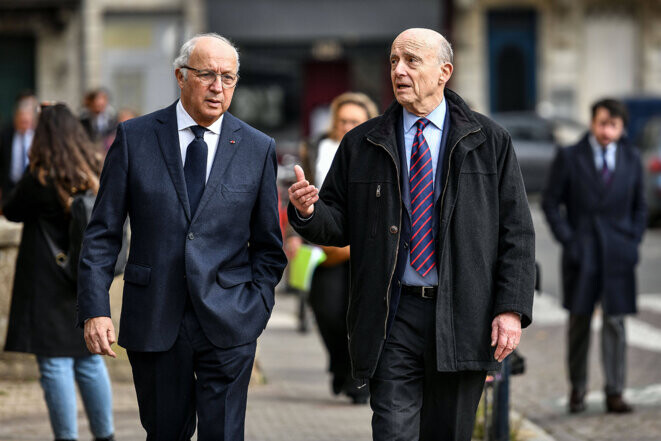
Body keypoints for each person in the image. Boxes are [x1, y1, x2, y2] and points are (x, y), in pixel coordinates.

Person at [288, 28, 535, 441]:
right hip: (392, 314)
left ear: (444, 72)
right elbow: (337, 223)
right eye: (393, 61)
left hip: (462, 316)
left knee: (448, 432)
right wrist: (309, 211)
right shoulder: (362, 143)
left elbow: (517, 234)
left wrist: (510, 309)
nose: (398, 70)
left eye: (411, 61)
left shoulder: (489, 141)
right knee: (393, 430)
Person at [76, 33, 287, 440]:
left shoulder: (257, 147)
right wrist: (95, 307)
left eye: (228, 77)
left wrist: (255, 307)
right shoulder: (135, 138)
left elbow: (268, 247)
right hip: (155, 317)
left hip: (230, 320)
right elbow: (103, 232)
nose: (218, 87)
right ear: (180, 75)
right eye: (207, 74)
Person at [2, 103, 114, 441]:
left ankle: (67, 437)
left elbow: (11, 210)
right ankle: (105, 435)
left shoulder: (41, 177)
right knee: (89, 362)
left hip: (46, 284)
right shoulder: (92, 172)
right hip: (83, 281)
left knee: (54, 364)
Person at [542, 98, 646, 414]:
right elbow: (550, 202)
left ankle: (615, 391)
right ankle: (578, 389)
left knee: (616, 322)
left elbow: (640, 207)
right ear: (592, 122)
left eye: (613, 125)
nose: (606, 130)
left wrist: (632, 242)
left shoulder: (631, 157)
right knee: (579, 321)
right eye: (601, 123)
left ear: (622, 127)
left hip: (618, 254)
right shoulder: (570, 156)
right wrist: (569, 240)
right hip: (581, 253)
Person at [308, 92, 378, 404]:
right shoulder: (315, 150)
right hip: (324, 246)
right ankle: (339, 365)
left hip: (367, 248)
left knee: (360, 314)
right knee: (326, 310)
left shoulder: (376, 150)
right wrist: (295, 236)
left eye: (355, 121)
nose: (347, 126)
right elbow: (297, 195)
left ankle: (357, 378)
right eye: (342, 120)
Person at [0, 92, 38, 203]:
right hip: (10, 186)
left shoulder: (39, 135)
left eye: (26, 121)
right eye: (21, 121)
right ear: (15, 118)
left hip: (32, 187)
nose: (23, 124)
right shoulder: (6, 133)